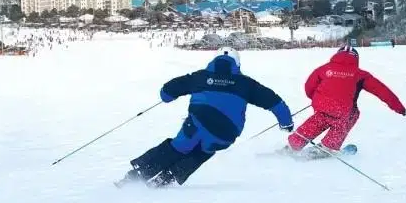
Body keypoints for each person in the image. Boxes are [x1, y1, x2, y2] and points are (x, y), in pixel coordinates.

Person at [117, 47, 294, 187]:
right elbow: (275, 102)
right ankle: (167, 178)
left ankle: (136, 176)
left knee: (178, 147)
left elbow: (168, 90)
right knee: (204, 150)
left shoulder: (200, 77)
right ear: (237, 64)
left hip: (196, 126)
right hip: (226, 134)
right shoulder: (247, 84)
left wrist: (167, 97)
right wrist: (286, 123)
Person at [286, 45, 406, 156]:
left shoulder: (323, 69)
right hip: (342, 110)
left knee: (317, 121)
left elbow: (309, 86)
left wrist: (318, 98)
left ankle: (294, 143)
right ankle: (328, 146)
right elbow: (382, 91)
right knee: (350, 116)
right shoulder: (361, 74)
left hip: (321, 105)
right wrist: (398, 107)